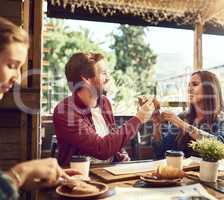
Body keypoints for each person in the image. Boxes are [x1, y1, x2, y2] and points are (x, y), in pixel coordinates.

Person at [0, 17, 81, 200]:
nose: (17, 79)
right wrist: (19, 175)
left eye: (20, 68)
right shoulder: (65, 109)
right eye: (11, 66)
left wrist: (24, 177)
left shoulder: (103, 105)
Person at [53, 52, 155, 166]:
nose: (108, 78)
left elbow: (110, 136)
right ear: (86, 78)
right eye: (104, 73)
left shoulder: (105, 103)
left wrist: (120, 153)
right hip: (80, 178)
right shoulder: (65, 111)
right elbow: (101, 149)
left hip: (108, 173)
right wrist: (138, 119)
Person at [152, 70, 224, 158]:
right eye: (189, 85)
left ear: (210, 89)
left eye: (195, 84)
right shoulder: (182, 117)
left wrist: (183, 125)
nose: (189, 89)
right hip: (182, 170)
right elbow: (161, 152)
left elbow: (220, 145)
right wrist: (156, 124)